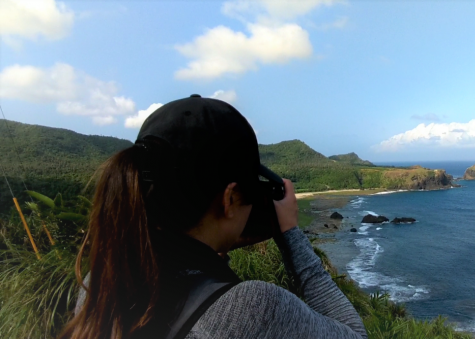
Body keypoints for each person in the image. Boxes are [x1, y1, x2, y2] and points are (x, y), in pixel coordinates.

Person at [60, 95, 367, 339]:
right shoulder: (253, 309)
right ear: (230, 198)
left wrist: (209, 252)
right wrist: (290, 233)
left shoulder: (102, 285)